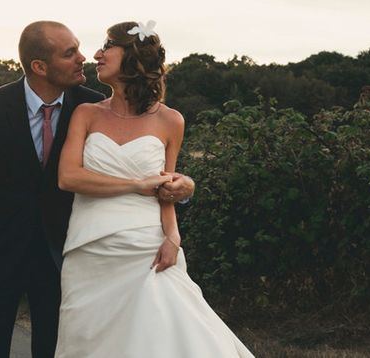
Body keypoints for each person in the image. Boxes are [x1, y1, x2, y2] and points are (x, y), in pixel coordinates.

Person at [0, 21, 196, 358]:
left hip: (66, 255)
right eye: (70, 54)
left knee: (58, 351)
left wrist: (183, 191)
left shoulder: (96, 107)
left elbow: (142, 169)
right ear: (40, 66)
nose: (83, 58)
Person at [55, 20, 255, 357]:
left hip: (147, 247)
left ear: (131, 57)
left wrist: (173, 239)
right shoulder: (85, 113)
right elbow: (68, 177)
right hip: (89, 248)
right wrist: (135, 183)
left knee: (159, 339)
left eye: (108, 46)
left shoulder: (170, 120)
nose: (97, 54)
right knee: (89, 342)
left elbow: (168, 189)